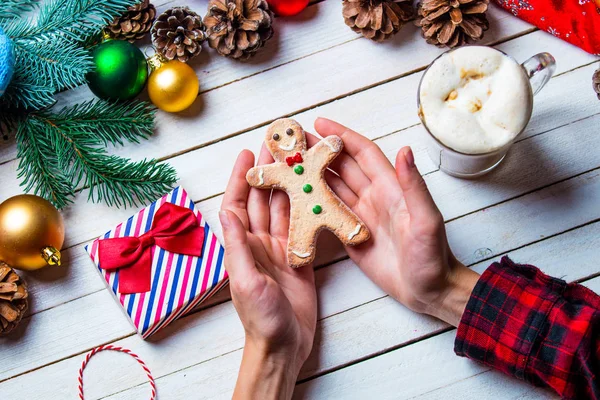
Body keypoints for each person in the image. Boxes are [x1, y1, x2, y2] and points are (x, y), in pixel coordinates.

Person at [219, 118, 600, 400]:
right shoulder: (278, 172)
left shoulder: (312, 154)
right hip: (303, 213)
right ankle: (302, 247)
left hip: (329, 208)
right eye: (280, 137)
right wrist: (447, 288)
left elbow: (585, 355)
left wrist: (272, 354)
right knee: (301, 233)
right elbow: (261, 175)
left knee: (343, 220)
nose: (287, 140)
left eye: (288, 135)